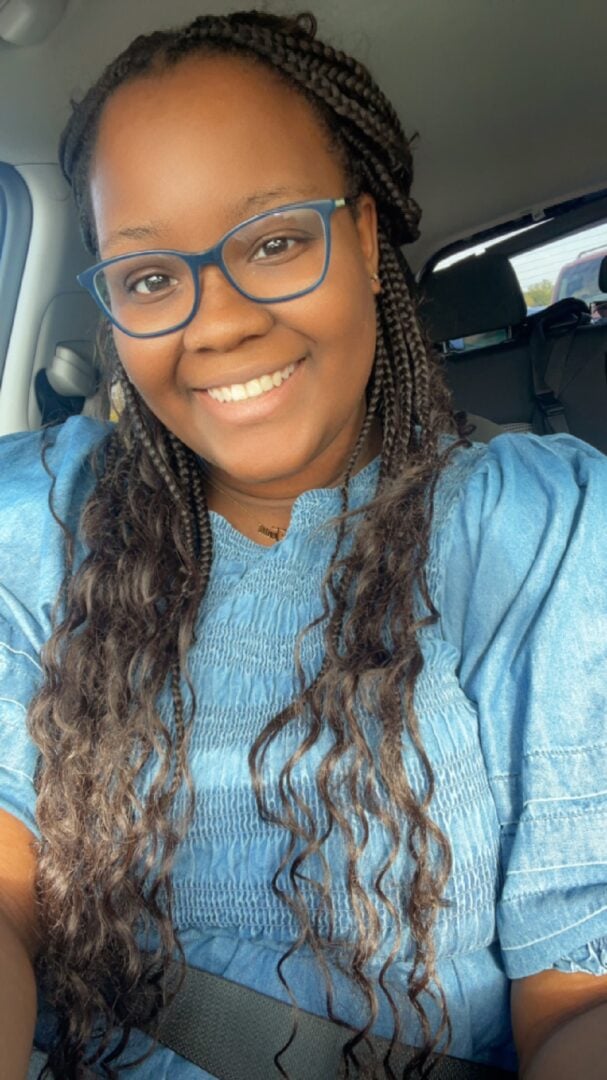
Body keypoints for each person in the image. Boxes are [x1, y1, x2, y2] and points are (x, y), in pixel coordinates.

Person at [0, 10, 606, 1080]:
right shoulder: (41, 513)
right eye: (149, 278)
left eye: (275, 239)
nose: (216, 321)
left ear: (367, 240)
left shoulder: (540, 530)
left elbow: (578, 992)